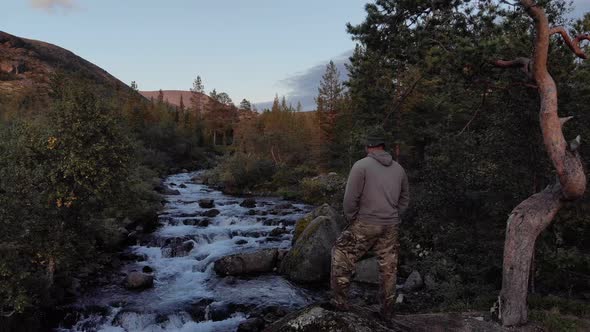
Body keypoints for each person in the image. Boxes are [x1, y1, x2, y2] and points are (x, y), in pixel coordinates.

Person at [330, 128, 410, 320]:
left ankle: (340, 305)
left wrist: (351, 217)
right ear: (383, 146)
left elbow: (350, 198)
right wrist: (395, 215)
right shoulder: (399, 168)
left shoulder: (361, 166)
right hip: (390, 224)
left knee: (341, 254)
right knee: (388, 267)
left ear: (368, 146)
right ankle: (387, 312)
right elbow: (405, 197)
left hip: (366, 222)